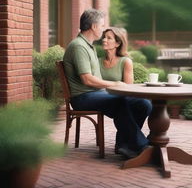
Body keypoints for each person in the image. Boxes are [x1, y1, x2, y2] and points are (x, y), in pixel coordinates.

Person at [63, 9, 152, 158]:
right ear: (93, 26)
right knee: (120, 102)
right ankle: (140, 146)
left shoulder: (88, 46)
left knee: (144, 103)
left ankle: (125, 144)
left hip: (94, 94)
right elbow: (87, 79)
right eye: (102, 25)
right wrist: (115, 83)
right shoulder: (79, 46)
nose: (103, 29)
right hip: (82, 97)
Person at [99, 27, 152, 154]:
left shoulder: (125, 61)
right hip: (104, 98)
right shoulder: (97, 61)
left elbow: (128, 87)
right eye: (104, 37)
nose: (104, 40)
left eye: (109, 38)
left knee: (145, 105)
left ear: (117, 43)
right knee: (122, 105)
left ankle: (123, 143)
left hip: (122, 96)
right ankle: (130, 144)